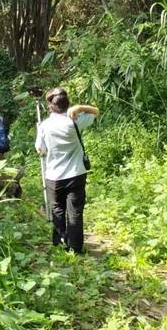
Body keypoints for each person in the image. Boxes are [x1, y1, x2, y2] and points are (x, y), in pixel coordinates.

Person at [35, 87, 99, 254]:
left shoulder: (44, 126)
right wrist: (80, 108)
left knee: (57, 209)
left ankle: (59, 244)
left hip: (53, 177)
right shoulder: (75, 121)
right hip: (76, 174)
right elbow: (96, 111)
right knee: (75, 212)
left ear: (50, 106)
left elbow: (40, 150)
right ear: (68, 103)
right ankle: (76, 248)